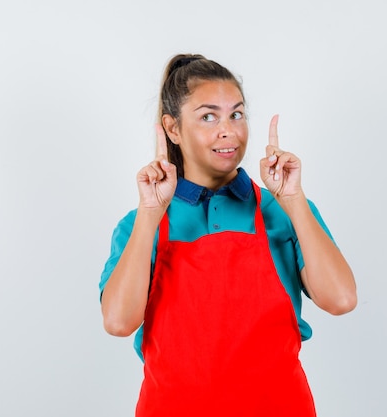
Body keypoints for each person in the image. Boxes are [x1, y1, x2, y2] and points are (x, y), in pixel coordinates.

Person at [99, 53, 357, 417]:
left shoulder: (283, 210)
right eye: (208, 116)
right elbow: (118, 322)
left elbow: (341, 299)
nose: (229, 131)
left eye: (236, 114)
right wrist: (149, 215)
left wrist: (294, 200)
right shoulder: (142, 222)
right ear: (173, 129)